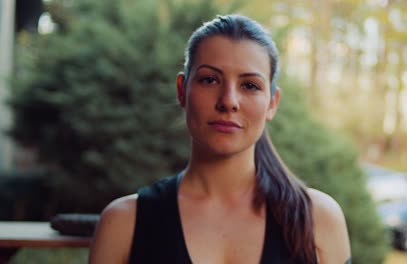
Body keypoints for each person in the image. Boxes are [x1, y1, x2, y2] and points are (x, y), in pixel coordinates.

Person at [89, 14, 351, 264]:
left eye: (249, 85)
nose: (228, 101)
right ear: (182, 91)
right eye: (210, 80)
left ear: (272, 103)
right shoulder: (124, 224)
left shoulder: (319, 219)